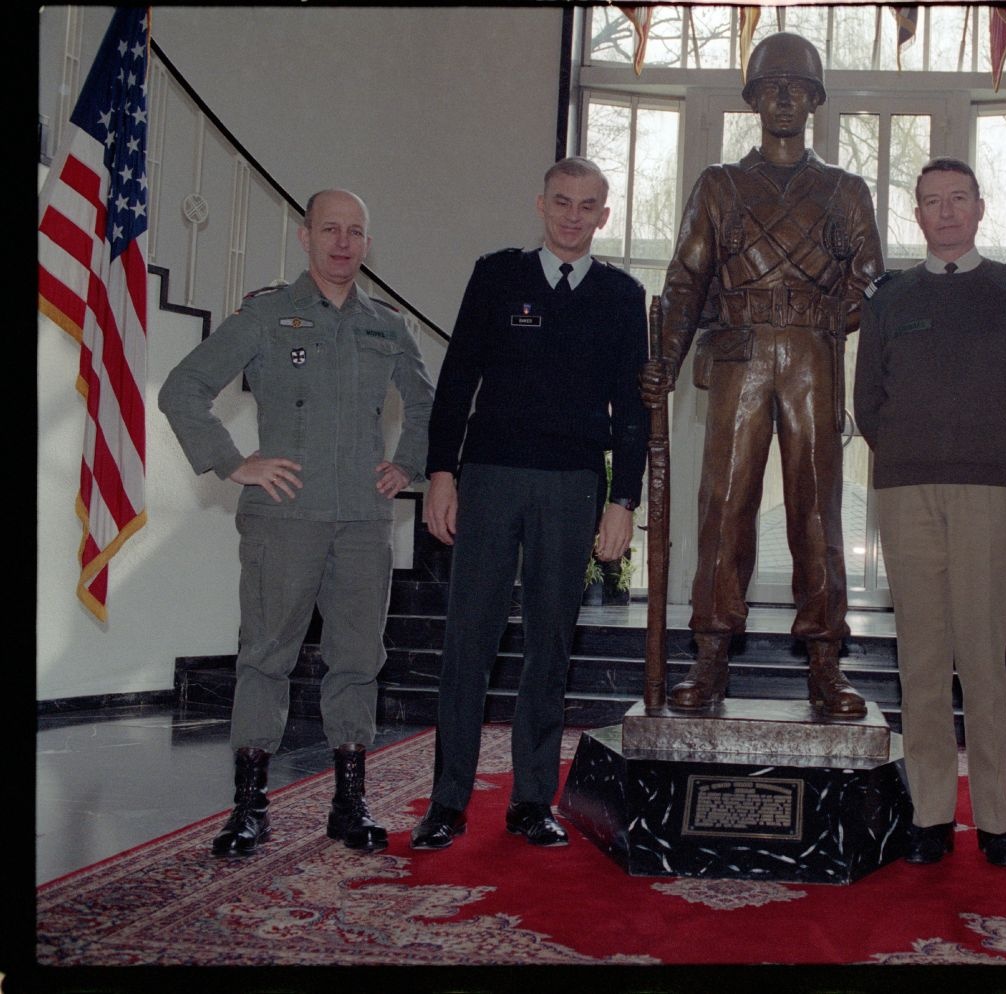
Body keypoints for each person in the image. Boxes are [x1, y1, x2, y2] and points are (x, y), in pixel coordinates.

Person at [159, 189, 435, 858]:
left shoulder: (386, 325)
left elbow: (429, 402)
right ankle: (249, 808)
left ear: (368, 244)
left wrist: (408, 467)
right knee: (265, 657)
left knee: (358, 661)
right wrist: (234, 463)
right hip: (285, 521)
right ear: (306, 236)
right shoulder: (267, 316)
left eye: (356, 232)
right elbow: (183, 388)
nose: (343, 242)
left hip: (364, 524)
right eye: (331, 229)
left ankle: (350, 802)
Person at [639, 32, 883, 717]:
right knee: (724, 506)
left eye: (797, 88)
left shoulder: (845, 191)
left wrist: (836, 309)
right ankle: (712, 654)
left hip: (811, 353)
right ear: (752, 99)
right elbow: (686, 281)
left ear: (814, 101)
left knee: (816, 509)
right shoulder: (718, 186)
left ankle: (826, 661)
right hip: (739, 351)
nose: (783, 98)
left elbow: (872, 282)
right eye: (771, 86)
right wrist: (666, 357)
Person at [410, 157, 647, 850]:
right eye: (562, 202)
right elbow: (456, 381)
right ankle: (447, 803)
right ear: (540, 205)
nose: (574, 216)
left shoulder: (621, 295)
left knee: (549, 644)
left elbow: (633, 409)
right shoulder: (496, 275)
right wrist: (441, 473)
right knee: (469, 641)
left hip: (573, 484)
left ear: (605, 215)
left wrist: (622, 500)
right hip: (488, 478)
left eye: (588, 205)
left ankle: (530, 802)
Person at [853, 158, 1006, 866]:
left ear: (979, 207)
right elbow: (867, 402)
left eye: (957, 199)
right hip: (907, 489)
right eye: (931, 201)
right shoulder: (888, 296)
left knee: (984, 658)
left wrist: (985, 451)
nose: (945, 212)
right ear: (917, 215)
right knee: (924, 655)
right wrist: (915, 451)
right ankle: (933, 813)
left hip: (987, 491)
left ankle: (996, 821)